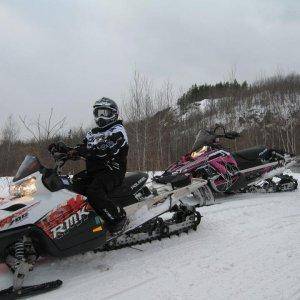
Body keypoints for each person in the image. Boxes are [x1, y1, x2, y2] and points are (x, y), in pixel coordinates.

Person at [51, 97, 129, 234]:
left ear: (113, 114)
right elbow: (81, 147)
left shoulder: (117, 130)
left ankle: (117, 220)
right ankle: (83, 224)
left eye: (105, 113)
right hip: (95, 172)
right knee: (73, 186)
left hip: (112, 171)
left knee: (94, 191)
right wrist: (65, 151)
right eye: (98, 113)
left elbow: (104, 149)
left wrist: (81, 151)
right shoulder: (93, 133)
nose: (101, 117)